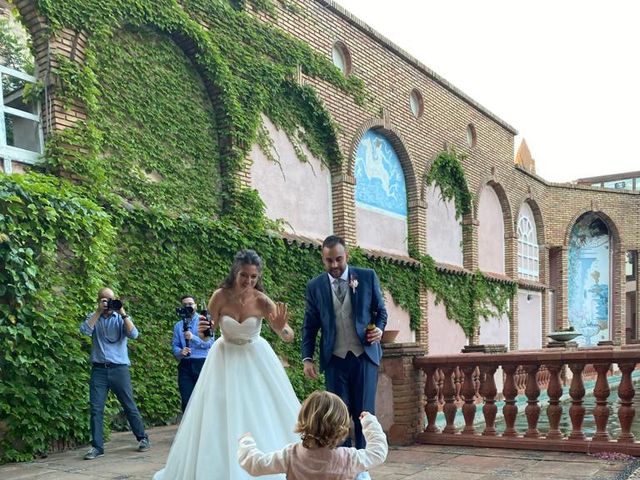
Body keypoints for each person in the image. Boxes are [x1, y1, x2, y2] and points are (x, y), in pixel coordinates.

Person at [154, 249, 300, 480]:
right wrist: (203, 332)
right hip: (224, 357)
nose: (249, 281)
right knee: (219, 411)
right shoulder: (220, 296)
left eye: (253, 277)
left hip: (256, 360)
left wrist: (282, 327)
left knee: (258, 408)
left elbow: (288, 335)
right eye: (244, 275)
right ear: (235, 272)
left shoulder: (262, 300)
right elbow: (206, 334)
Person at [301, 235, 387, 480]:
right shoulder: (315, 286)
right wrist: (307, 358)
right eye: (329, 260)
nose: (334, 265)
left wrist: (379, 329)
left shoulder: (367, 276)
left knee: (364, 416)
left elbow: (381, 311)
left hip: (363, 358)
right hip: (335, 360)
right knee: (335, 418)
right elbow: (309, 326)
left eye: (338, 259)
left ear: (346, 256)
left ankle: (360, 473)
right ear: (323, 259)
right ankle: (337, 470)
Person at [238, 390, 388, 479]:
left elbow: (255, 464)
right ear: (342, 427)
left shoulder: (290, 455)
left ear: (304, 420)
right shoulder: (350, 458)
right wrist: (370, 423)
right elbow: (378, 452)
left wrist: (246, 443)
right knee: (362, 475)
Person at [79, 287, 150, 460]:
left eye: (110, 299)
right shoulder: (93, 317)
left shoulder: (121, 318)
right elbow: (84, 331)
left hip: (119, 369)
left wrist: (123, 312)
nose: (108, 303)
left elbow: (133, 334)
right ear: (99, 300)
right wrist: (98, 311)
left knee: (128, 404)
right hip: (99, 370)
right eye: (104, 299)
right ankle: (97, 447)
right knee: (96, 409)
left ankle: (142, 438)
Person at [171, 295, 214, 412]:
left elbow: (209, 343)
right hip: (185, 364)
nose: (188, 307)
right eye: (185, 305)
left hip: (201, 363)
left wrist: (193, 337)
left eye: (190, 304)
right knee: (186, 399)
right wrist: (180, 352)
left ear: (195, 305)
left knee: (204, 397)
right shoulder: (178, 326)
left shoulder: (204, 320)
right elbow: (174, 345)